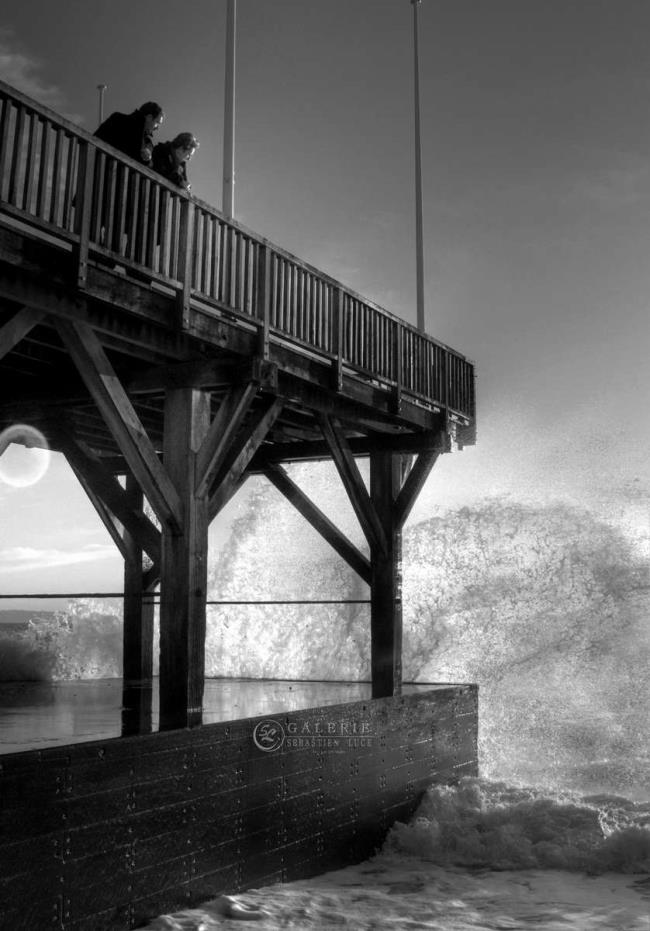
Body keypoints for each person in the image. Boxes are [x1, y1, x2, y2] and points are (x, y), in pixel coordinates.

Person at [94, 101, 164, 167]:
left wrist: (148, 159)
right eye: (157, 123)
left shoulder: (117, 118)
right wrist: (146, 159)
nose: (157, 127)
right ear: (149, 117)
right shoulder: (120, 121)